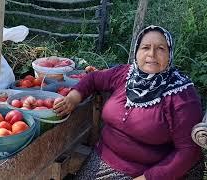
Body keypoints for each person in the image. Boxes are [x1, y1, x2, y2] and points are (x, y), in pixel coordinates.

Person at [53, 25, 204, 180]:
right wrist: (73, 98)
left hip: (149, 171)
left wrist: (148, 177)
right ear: (137, 51)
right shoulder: (126, 74)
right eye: (145, 47)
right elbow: (93, 78)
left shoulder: (181, 95)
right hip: (104, 159)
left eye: (160, 48)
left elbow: (188, 151)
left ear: (170, 53)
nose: (151, 54)